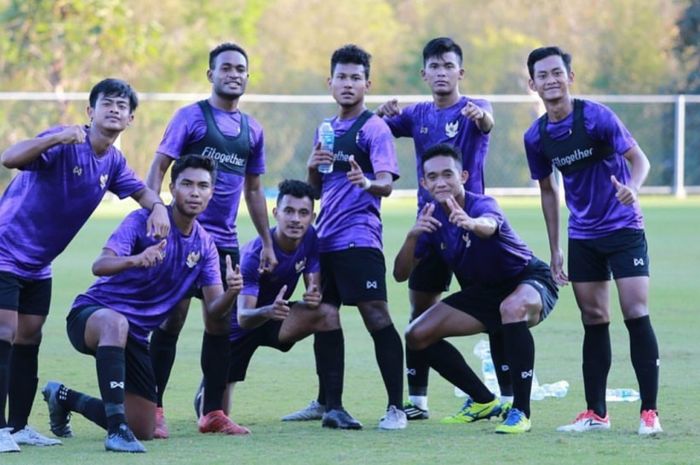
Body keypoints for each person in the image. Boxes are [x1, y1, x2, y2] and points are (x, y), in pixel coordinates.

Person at [0, 78, 169, 453]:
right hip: (5, 250)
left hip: (38, 264)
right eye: (106, 103)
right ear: (89, 111)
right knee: (4, 332)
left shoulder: (113, 161)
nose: (114, 109)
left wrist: (158, 206)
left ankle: (18, 426)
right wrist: (56, 138)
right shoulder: (64, 142)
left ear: (130, 120)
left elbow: (141, 191)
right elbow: (10, 158)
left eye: (121, 107)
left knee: (29, 338)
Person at [40, 155, 242, 453]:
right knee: (116, 322)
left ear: (212, 193)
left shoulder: (205, 246)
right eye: (187, 184)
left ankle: (64, 397)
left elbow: (214, 310)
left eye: (203, 186)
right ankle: (117, 432)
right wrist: (136, 260)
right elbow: (100, 265)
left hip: (133, 337)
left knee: (144, 428)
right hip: (92, 316)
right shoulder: (142, 221)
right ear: (172, 188)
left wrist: (232, 292)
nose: (195, 192)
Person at [524, 46, 662, 435]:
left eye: (557, 73)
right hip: (582, 234)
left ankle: (649, 413)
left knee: (635, 311)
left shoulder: (596, 116)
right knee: (594, 318)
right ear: (532, 84)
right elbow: (548, 192)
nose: (551, 80)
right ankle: (596, 413)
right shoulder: (536, 136)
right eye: (543, 75)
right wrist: (554, 248)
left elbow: (640, 160)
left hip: (623, 227)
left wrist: (632, 188)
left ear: (570, 77)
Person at [145, 42, 276, 438]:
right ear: (211, 75)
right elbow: (158, 166)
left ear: (247, 77)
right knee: (171, 319)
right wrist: (152, 213)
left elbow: (254, 190)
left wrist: (266, 243)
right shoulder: (190, 118)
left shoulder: (253, 130)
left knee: (221, 323)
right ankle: (153, 408)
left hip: (223, 242)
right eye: (226, 68)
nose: (234, 74)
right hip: (181, 237)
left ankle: (213, 413)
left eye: (241, 69)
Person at [375, 37, 510, 420]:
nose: (441, 73)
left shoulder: (474, 108)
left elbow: (488, 120)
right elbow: (375, 127)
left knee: (494, 310)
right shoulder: (417, 114)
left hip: (471, 224)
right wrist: (380, 112)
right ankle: (418, 401)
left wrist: (482, 119)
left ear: (460, 72)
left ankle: (510, 398)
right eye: (434, 67)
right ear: (423, 74)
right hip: (431, 224)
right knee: (420, 311)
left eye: (448, 66)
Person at [394, 143, 558, 434]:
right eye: (433, 176)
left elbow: (490, 225)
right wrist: (411, 237)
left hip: (527, 279)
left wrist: (470, 223)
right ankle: (482, 400)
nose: (441, 181)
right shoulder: (430, 217)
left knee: (512, 308)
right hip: (484, 292)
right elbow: (399, 274)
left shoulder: (481, 203)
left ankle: (521, 411)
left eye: (448, 174)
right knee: (416, 335)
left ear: (464, 176)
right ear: (423, 182)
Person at [283, 44, 405, 430]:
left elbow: (385, 183)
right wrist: (310, 167)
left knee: (376, 315)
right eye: (342, 77)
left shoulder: (374, 128)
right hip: (324, 241)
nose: (348, 83)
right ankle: (327, 403)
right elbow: (314, 191)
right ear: (330, 82)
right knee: (325, 317)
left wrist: (367, 181)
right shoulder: (326, 130)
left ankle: (395, 408)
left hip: (360, 239)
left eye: (356, 77)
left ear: (367, 83)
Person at [193, 179, 346, 433]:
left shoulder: (311, 237)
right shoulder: (255, 254)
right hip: (242, 327)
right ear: (275, 213)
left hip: (276, 317)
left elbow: (313, 285)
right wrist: (268, 311)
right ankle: (210, 386)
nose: (296, 219)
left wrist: (313, 295)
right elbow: (242, 317)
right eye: (289, 211)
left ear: (312, 216)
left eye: (303, 213)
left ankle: (333, 407)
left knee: (327, 314)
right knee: (215, 417)